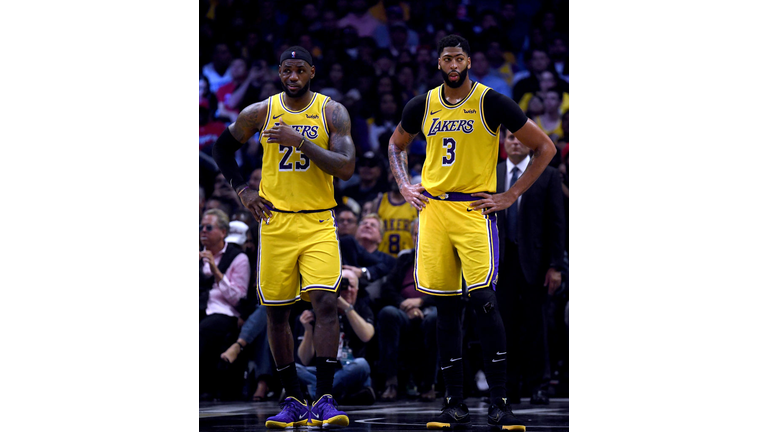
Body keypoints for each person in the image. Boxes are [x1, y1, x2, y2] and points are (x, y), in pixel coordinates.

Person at [387, 34, 556, 430]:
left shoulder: (491, 100)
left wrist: (510, 194)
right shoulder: (422, 103)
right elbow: (397, 145)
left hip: (473, 210)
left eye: (459, 58)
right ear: (439, 63)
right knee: (445, 310)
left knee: (484, 303)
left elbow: (545, 147)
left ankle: (499, 401)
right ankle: (453, 402)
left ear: (468, 62)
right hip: (433, 211)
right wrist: (402, 184)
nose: (453, 65)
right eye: (446, 58)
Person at [212, 46, 355, 429]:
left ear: (312, 72)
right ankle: (292, 398)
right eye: (286, 71)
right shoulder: (260, 111)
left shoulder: (332, 111)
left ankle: (324, 397)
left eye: (300, 71)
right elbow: (221, 149)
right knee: (277, 313)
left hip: (318, 221)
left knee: (325, 302)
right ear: (279, 72)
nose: (293, 77)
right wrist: (243, 190)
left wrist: (301, 141)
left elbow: (346, 168)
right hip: (275, 224)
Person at [495, 127, 566, 405]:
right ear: (503, 142)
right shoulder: (492, 172)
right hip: (501, 262)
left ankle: (538, 384)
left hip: (535, 262)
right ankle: (509, 385)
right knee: (506, 327)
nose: (515, 142)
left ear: (531, 143)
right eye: (510, 137)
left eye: (520, 137)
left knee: (537, 326)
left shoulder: (547, 174)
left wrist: (556, 266)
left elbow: (556, 224)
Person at [376, 219, 439, 402]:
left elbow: (451, 290)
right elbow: (388, 288)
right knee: (387, 313)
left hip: (432, 308)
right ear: (412, 237)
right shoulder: (405, 259)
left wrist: (421, 301)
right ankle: (391, 382)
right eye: (417, 234)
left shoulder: (442, 259)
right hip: (404, 311)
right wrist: (406, 304)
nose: (420, 238)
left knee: (435, 318)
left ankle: (429, 385)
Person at [295, 269, 376, 405]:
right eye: (343, 286)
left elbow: (367, 336)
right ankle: (336, 395)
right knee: (293, 369)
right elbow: (304, 359)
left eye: (352, 286)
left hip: (349, 370)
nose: (348, 290)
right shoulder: (316, 313)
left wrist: (346, 307)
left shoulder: (362, 309)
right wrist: (308, 331)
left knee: (362, 365)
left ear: (357, 289)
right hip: (321, 370)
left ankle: (315, 394)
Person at [199, 209, 250, 399]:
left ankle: (204, 387)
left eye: (209, 227)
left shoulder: (238, 257)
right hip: (200, 307)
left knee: (205, 329)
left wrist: (216, 271)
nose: (203, 230)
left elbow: (238, 299)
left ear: (223, 232)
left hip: (225, 311)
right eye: (201, 227)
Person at [375, 173, 418, 258]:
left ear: (409, 177)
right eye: (392, 173)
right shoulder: (378, 202)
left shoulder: (416, 202)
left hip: (409, 258)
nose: (395, 177)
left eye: (399, 173)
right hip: (382, 258)